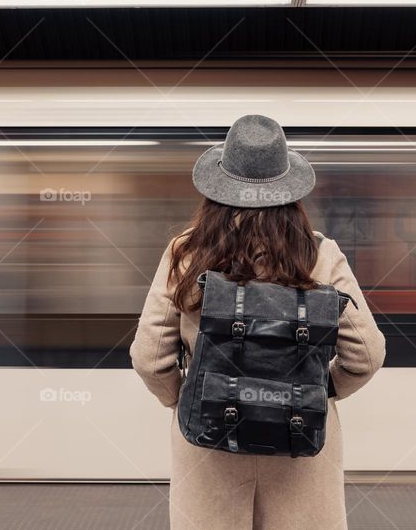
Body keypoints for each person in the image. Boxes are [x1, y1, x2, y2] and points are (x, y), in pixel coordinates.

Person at [129, 114, 386, 530]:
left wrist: (190, 398)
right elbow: (368, 354)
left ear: (217, 189)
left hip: (209, 445)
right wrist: (320, 390)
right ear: (290, 192)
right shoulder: (320, 254)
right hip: (299, 441)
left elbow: (149, 357)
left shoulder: (186, 252)